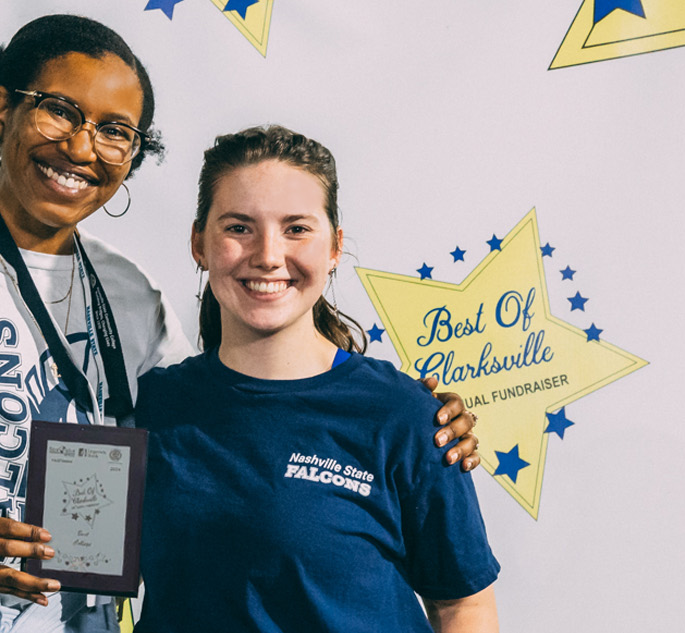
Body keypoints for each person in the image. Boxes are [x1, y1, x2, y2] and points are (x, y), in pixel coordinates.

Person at [0, 15, 482, 633]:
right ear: (3, 108)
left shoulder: (129, 294)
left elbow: (247, 411)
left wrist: (414, 417)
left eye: (115, 130)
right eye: (60, 109)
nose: (82, 146)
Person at [134, 125, 499, 632]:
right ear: (200, 243)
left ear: (334, 247)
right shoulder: (149, 408)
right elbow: (79, 563)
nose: (267, 254)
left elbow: (464, 606)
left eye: (296, 228)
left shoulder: (407, 415)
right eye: (239, 227)